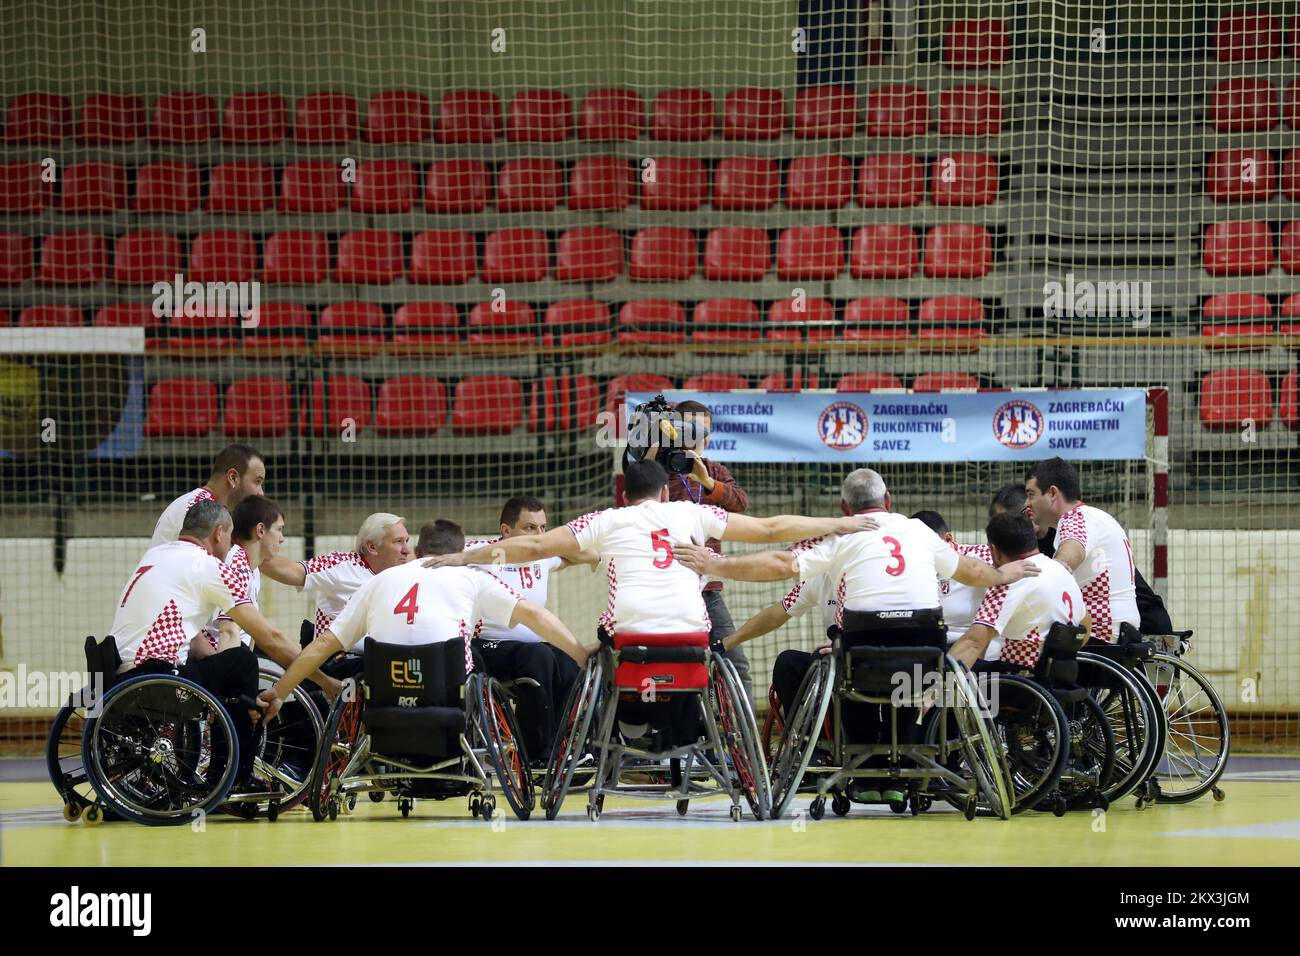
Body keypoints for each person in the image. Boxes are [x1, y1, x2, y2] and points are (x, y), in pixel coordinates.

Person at [675, 468, 1040, 723]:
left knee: (848, 669)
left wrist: (716, 564)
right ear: (889, 499)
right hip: (925, 658)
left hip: (862, 658)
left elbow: (779, 563)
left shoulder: (839, 538)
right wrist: (1001, 574)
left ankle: (862, 772)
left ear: (844, 509)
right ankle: (911, 761)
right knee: (905, 674)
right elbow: (973, 571)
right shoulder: (919, 532)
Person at [255, 526, 594, 723]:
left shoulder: (378, 581)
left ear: (416, 551)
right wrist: (578, 652)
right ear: (462, 551)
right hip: (446, 697)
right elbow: (535, 615)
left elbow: (321, 645)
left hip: (385, 696)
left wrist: (280, 692)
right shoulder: (470, 577)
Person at [111, 500, 335, 782]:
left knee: (239, 664)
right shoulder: (206, 565)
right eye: (229, 537)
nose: (231, 545)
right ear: (218, 533)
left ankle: (226, 769)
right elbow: (267, 637)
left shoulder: (157, 554)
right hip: (154, 678)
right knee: (242, 662)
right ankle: (235, 776)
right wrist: (323, 679)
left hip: (117, 672)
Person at [420, 512, 585, 761]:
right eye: (530, 528)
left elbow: (577, 555)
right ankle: (532, 755)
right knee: (538, 656)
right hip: (488, 646)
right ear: (506, 531)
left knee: (568, 661)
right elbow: (444, 551)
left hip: (529, 649)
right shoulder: (482, 551)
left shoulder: (542, 555)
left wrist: (598, 555)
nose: (539, 536)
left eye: (543, 528)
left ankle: (561, 750)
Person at [654, 399, 755, 699]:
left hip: (707, 588)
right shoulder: (658, 470)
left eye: (707, 432)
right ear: (676, 432)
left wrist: (707, 482)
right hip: (667, 587)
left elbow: (740, 502)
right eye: (695, 431)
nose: (703, 439)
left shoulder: (714, 469)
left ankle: (739, 741)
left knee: (735, 662)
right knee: (673, 664)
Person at [990, 481, 1172, 634]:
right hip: (1108, 626)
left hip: (1139, 627)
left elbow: (1053, 579)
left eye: (1005, 523)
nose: (1002, 531)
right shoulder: (1027, 545)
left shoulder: (1067, 534)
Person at [948, 513, 1090, 670]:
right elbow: (1086, 624)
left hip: (1014, 679)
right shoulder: (1062, 570)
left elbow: (973, 643)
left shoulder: (1012, 581)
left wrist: (937, 685)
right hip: (1060, 674)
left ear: (994, 551)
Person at [1023, 458, 1140, 644]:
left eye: (1031, 494)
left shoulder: (1076, 519)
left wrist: (1056, 568)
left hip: (1099, 636)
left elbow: (1072, 551)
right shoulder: (1092, 516)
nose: (1027, 503)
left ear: (1052, 493)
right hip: (1115, 632)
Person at [260, 512, 412, 643]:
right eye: (398, 542)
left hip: (378, 656)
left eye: (407, 541)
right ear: (372, 547)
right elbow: (291, 571)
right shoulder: (340, 565)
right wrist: (251, 551)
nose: (406, 550)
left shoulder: (404, 572)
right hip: (340, 660)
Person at [195, 495, 287, 659]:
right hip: (212, 658)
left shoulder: (252, 568)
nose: (282, 538)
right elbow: (228, 632)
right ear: (260, 530)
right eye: (279, 530)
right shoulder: (237, 566)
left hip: (232, 651)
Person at [909, 510, 1001, 662]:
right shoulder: (913, 565)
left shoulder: (980, 556)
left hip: (973, 648)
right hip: (930, 646)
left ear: (948, 539)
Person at [149, 444, 265, 547]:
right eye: (257, 482)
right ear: (233, 477)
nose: (261, 493)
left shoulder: (203, 504)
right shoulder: (199, 508)